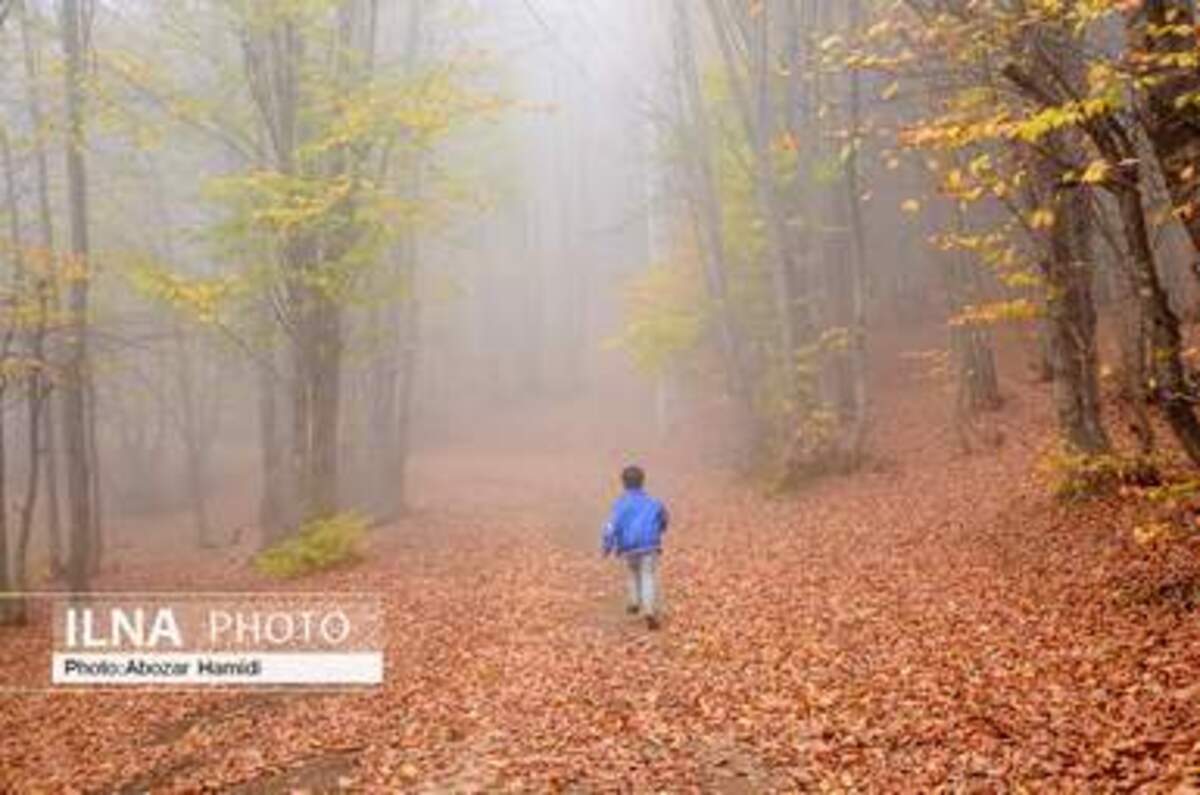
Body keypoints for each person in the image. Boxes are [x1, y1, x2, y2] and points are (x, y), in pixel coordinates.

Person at [601, 465, 670, 629]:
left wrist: (607, 545)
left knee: (633, 573)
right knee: (648, 576)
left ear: (623, 483)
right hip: (650, 544)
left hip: (629, 546)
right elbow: (664, 519)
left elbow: (611, 526)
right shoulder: (654, 502)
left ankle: (634, 601)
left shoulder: (620, 504)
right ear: (642, 482)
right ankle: (649, 611)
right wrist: (660, 529)